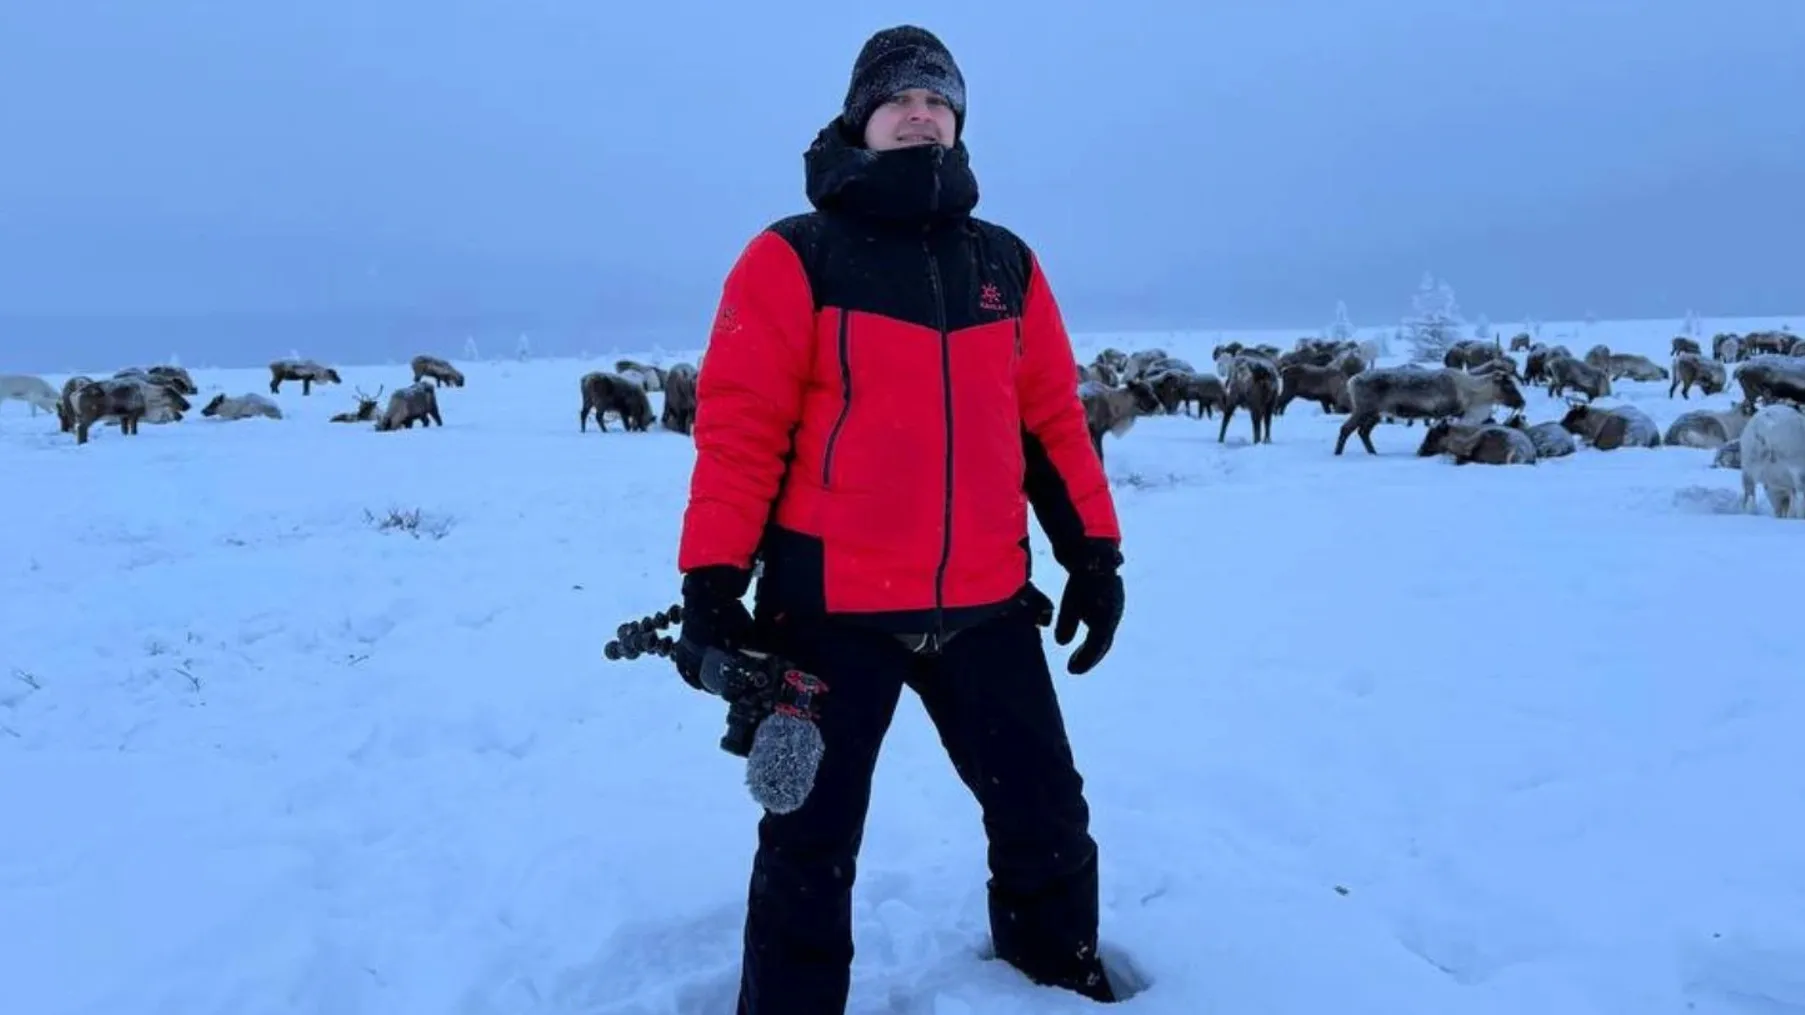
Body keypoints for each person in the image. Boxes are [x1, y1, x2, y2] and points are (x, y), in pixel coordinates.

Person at [671, 24, 1127, 1014]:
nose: (920, 111)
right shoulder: (795, 255)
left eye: (938, 100)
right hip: (829, 607)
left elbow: (1049, 418)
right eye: (899, 99)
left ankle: (1053, 972)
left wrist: (1091, 551)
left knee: (1046, 814)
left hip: (986, 602)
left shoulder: (1003, 262)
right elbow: (741, 430)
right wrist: (711, 581)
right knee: (808, 836)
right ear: (859, 119)